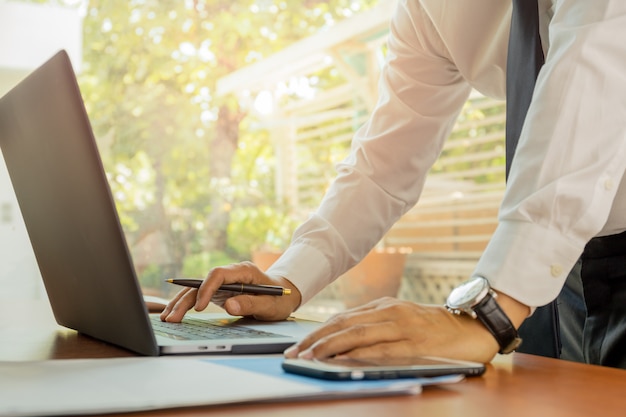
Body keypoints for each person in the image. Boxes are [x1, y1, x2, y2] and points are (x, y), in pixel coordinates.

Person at [161, 0, 626, 368]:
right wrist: (287, 281)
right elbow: (384, 160)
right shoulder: (428, 9)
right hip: (559, 271)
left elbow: (591, 76)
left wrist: (487, 312)